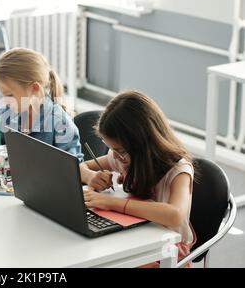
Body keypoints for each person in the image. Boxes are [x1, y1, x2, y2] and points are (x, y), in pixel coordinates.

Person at [80, 90, 196, 267]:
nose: (116, 157)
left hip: (166, 251)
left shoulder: (179, 171)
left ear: (144, 144)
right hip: (134, 238)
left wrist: (110, 203)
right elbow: (79, 166)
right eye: (110, 148)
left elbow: (175, 215)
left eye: (121, 151)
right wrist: (91, 177)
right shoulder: (124, 159)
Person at [0, 48, 84, 161]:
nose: (5, 101)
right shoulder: (10, 114)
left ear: (35, 89)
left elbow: (74, 169)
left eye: (10, 95)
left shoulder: (61, 124)